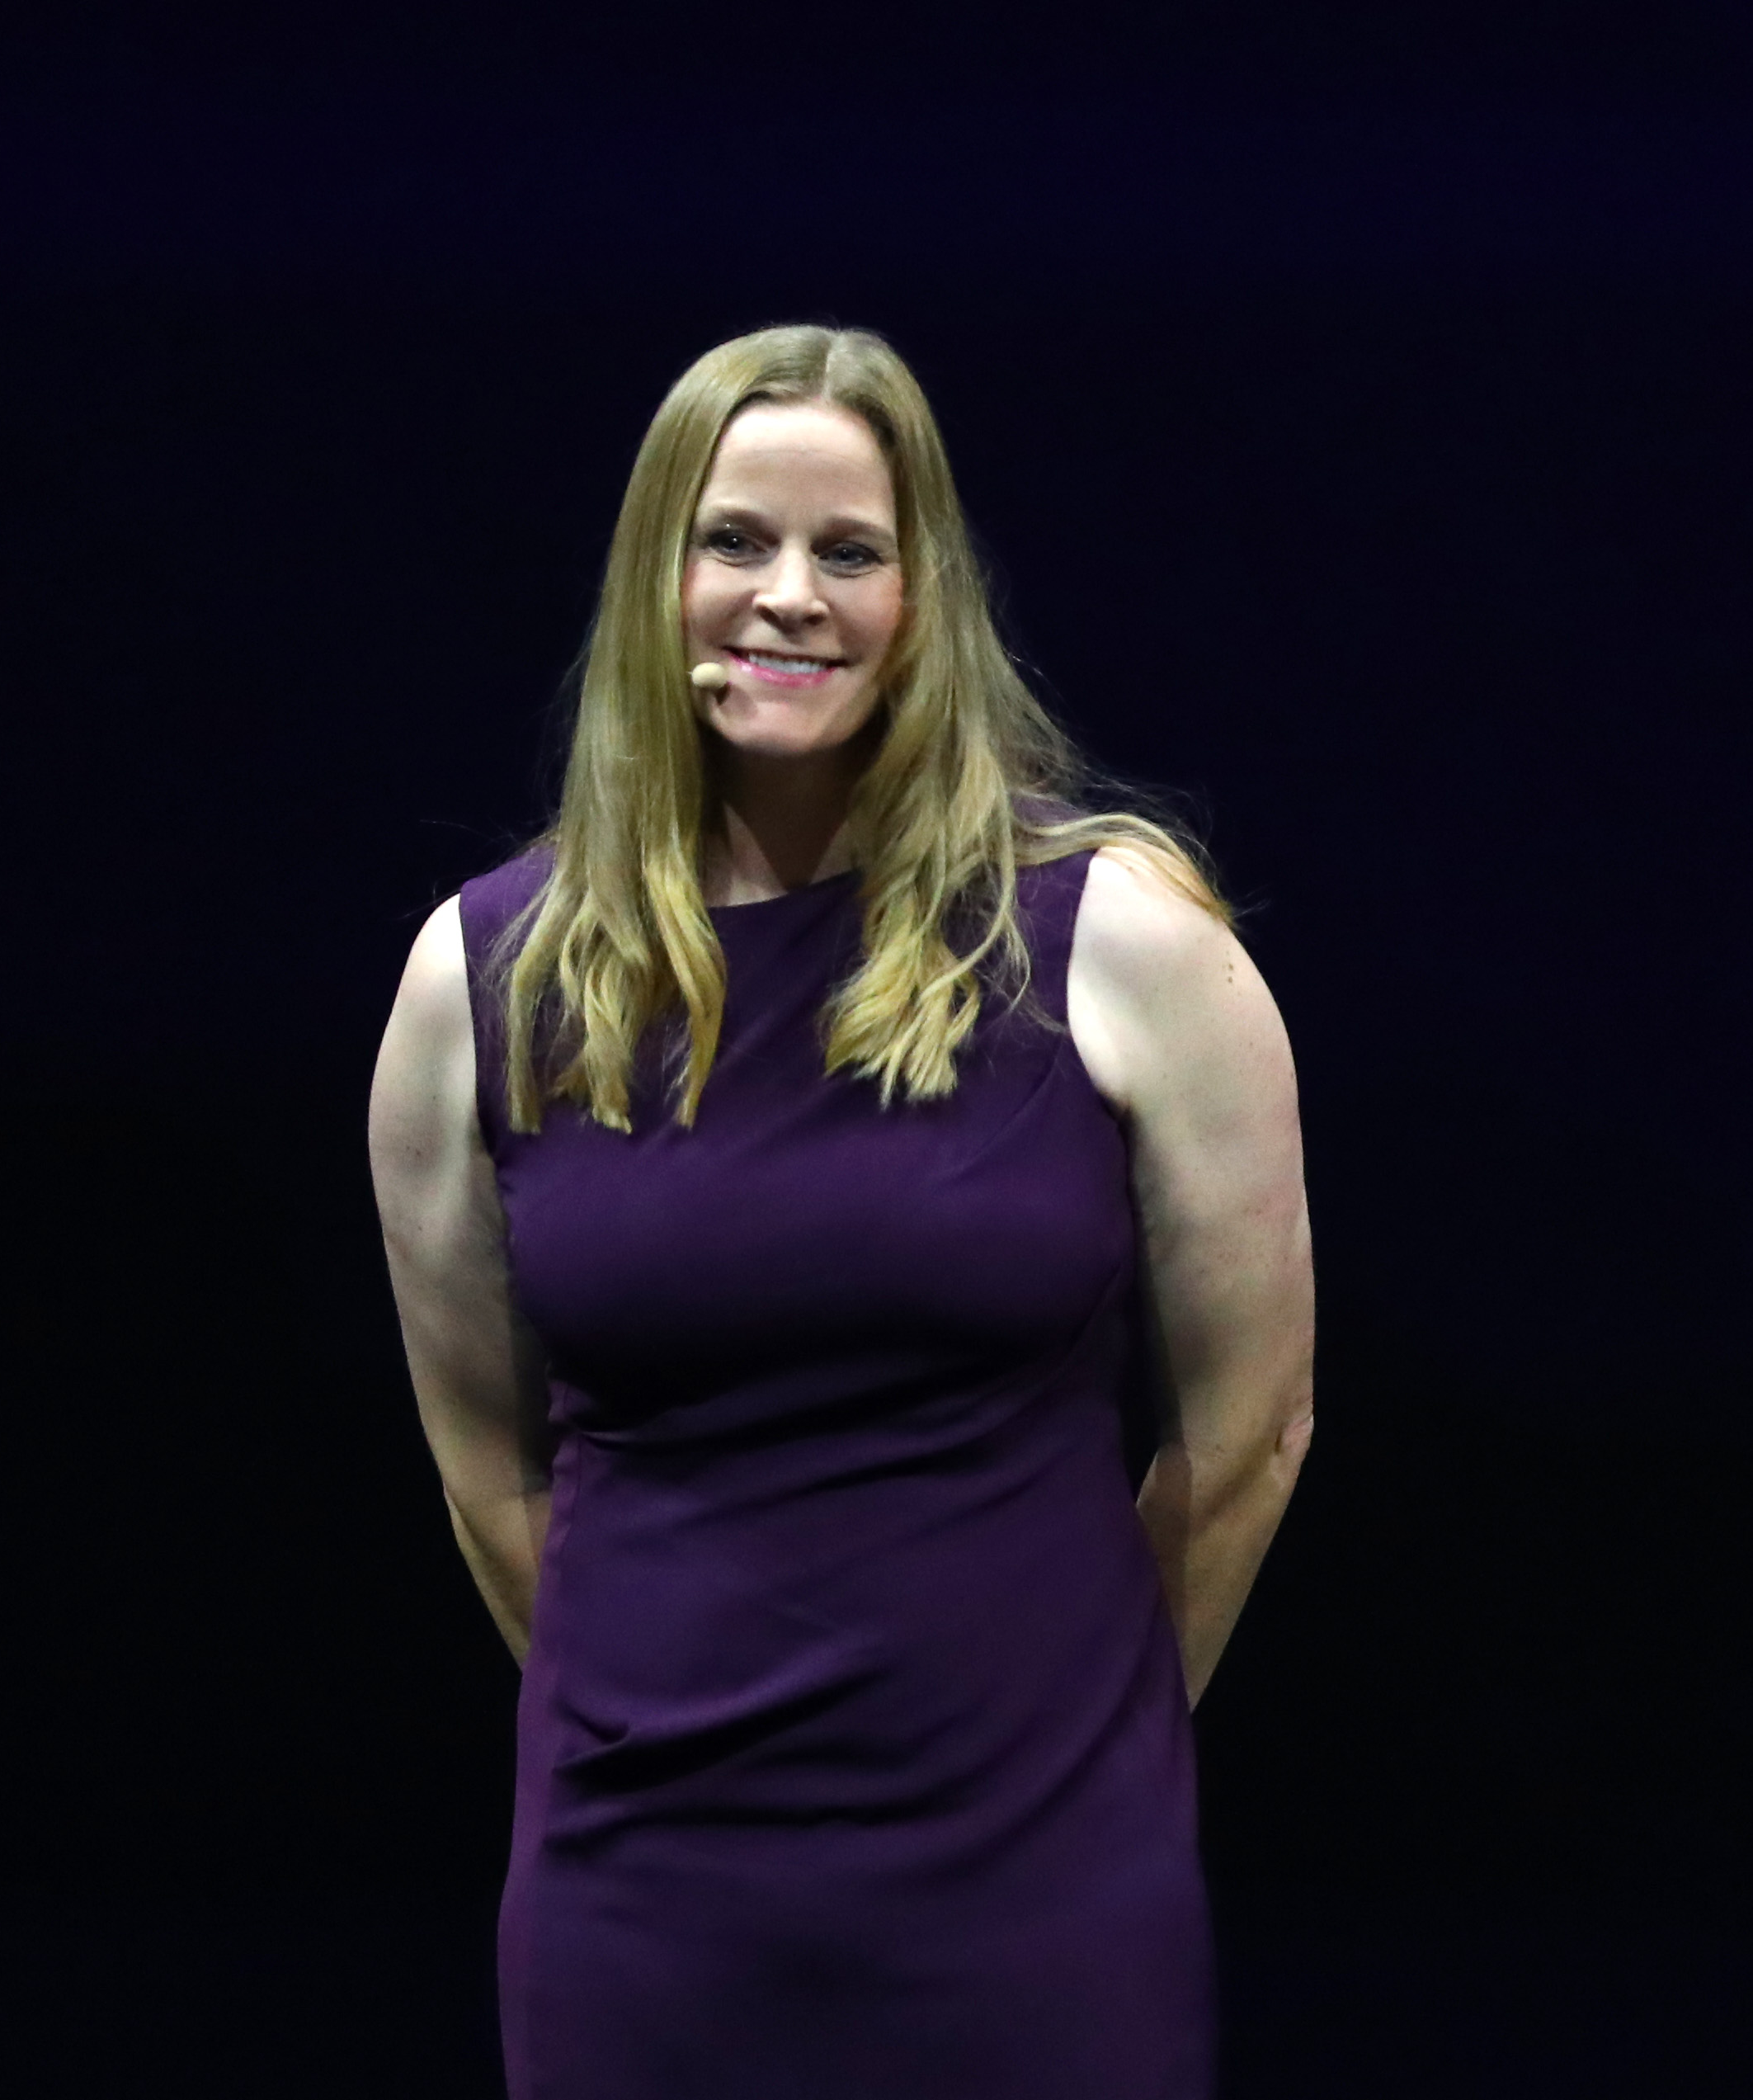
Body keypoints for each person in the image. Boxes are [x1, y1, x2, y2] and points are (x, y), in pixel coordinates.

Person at [366, 323, 1315, 2099]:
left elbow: (1250, 1435)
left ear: (923, 594)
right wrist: (641, 1726)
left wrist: (1079, 1744)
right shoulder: (482, 980)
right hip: (644, 1892)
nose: (786, 597)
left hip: (1040, 1884)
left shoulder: (1122, 950)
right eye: (733, 541)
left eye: (849, 552)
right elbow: (492, 1473)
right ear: (659, 574)